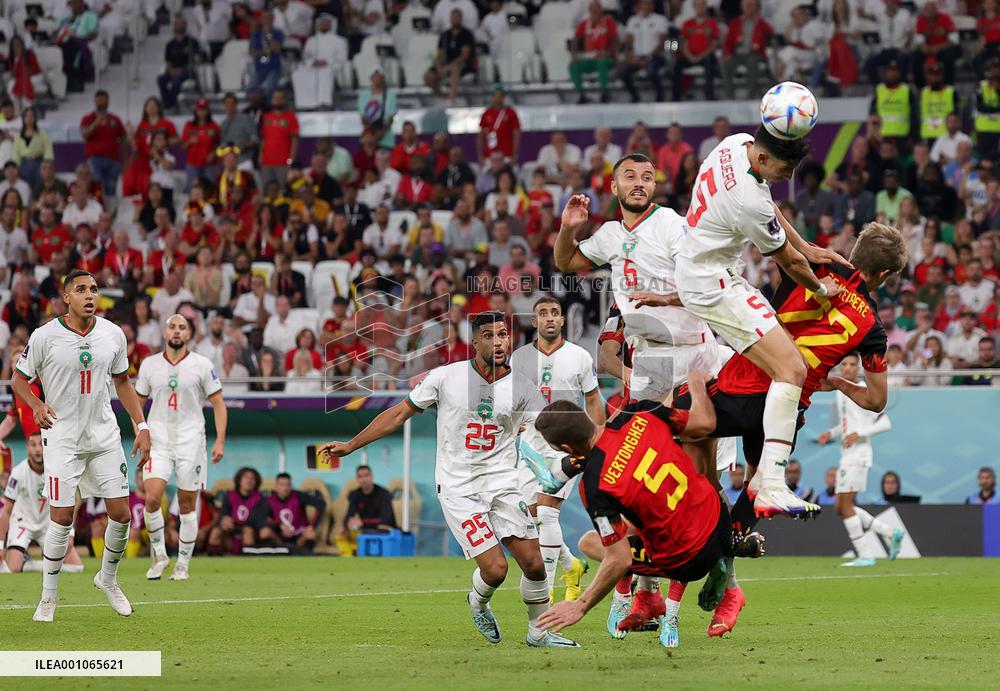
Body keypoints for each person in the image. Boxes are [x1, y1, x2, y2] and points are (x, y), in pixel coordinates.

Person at [552, 153, 741, 643]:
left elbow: (706, 282)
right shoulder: (611, 236)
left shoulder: (673, 226)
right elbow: (566, 261)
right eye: (630, 177)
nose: (640, 183)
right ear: (613, 186)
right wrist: (569, 228)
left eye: (648, 177)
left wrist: (668, 298)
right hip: (649, 360)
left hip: (692, 353)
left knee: (703, 474)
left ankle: (729, 582)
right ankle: (646, 594)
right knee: (643, 480)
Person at [321, 311, 579, 648]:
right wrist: (351, 446)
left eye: (503, 334)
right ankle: (478, 602)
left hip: (502, 482)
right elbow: (399, 414)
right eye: (489, 335)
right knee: (496, 570)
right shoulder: (445, 378)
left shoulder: (522, 387)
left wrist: (575, 451)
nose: (498, 341)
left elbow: (546, 429)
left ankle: (539, 633)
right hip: (459, 488)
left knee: (533, 563)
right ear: (474, 342)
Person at [672, 121, 849, 519]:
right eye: (785, 171)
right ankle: (768, 483)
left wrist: (805, 244)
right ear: (765, 157)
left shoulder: (736, 145)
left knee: (780, 365)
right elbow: (787, 262)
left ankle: (759, 480)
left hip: (707, 270)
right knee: (792, 368)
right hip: (710, 284)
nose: (787, 179)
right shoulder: (746, 200)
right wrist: (822, 291)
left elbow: (770, 209)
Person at [529, 380, 761, 647]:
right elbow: (705, 425)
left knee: (591, 543)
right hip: (719, 517)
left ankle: (643, 595)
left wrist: (581, 605)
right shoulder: (642, 415)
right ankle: (718, 557)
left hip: (693, 559)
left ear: (567, 449)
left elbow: (619, 559)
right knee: (645, 511)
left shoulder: (595, 485)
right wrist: (697, 386)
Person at [13, 270, 152, 621]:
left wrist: (142, 425)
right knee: (61, 516)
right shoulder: (44, 336)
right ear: (66, 297)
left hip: (104, 437)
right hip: (62, 439)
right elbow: (18, 379)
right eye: (81, 290)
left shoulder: (113, 334)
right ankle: (48, 598)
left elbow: (123, 383)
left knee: (120, 514)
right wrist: (37, 405)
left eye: (93, 289)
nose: (90, 295)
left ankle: (107, 579)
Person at [510, 296, 604, 602]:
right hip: (530, 447)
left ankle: (545, 592)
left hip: (566, 445)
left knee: (548, 514)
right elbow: (512, 399)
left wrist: (597, 437)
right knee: (529, 515)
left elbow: (592, 399)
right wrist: (513, 427)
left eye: (555, 313)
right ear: (534, 321)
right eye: (542, 314)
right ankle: (570, 564)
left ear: (562, 320)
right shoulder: (519, 358)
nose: (549, 318)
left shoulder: (580, 357)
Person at [135, 314, 226, 580]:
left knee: (187, 506)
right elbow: (137, 404)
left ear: (189, 334)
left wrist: (220, 440)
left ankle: (183, 565)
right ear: (165, 332)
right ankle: (160, 556)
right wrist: (141, 434)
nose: (176, 331)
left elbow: (218, 403)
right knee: (151, 499)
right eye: (172, 326)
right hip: (158, 440)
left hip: (191, 441)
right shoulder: (149, 365)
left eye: (182, 327)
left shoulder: (202, 364)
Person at [817, 354, 903, 566]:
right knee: (841, 506)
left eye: (853, 364)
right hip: (848, 453)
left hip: (859, 454)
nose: (848, 368)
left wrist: (859, 434)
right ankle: (889, 532)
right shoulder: (841, 391)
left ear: (859, 368)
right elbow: (850, 424)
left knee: (844, 505)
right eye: (844, 364)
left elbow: (886, 423)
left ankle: (866, 555)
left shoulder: (865, 390)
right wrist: (832, 433)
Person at [0, 433, 85, 573]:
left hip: (48, 524)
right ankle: (32, 561)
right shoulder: (18, 473)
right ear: (27, 448)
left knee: (77, 568)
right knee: (12, 568)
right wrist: (0, 545)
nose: (38, 449)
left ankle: (29, 564)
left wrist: (70, 534)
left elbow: (69, 504)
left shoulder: (56, 470)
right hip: (23, 523)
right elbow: (7, 511)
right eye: (33, 445)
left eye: (41, 444)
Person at [253, 472, 325, 551]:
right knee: (264, 532)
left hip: (298, 536)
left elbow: (321, 504)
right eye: (282, 484)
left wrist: (311, 526)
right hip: (279, 538)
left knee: (311, 534)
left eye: (288, 484)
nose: (285, 488)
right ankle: (272, 556)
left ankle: (304, 556)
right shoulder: (268, 500)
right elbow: (260, 518)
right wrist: (279, 525)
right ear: (276, 486)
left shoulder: (298, 496)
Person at [292, 14, 347, 110]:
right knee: (298, 74)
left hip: (330, 66)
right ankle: (304, 104)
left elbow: (342, 57)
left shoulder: (339, 40)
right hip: (313, 66)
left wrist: (327, 62)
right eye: (322, 23)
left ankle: (323, 103)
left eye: (326, 23)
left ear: (331, 24)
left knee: (324, 74)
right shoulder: (311, 40)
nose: (324, 25)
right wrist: (313, 62)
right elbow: (306, 57)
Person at [339, 464, 397, 553]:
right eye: (360, 476)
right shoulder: (354, 495)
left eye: (366, 475)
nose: (363, 479)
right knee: (344, 530)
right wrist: (349, 524)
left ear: (371, 476)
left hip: (382, 530)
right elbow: (349, 514)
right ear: (357, 479)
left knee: (381, 530)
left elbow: (386, 518)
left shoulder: (383, 494)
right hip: (364, 529)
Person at [721, 0, 772, 99]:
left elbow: (770, 35)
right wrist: (727, 53)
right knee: (725, 64)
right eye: (746, 5)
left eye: (751, 5)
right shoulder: (735, 22)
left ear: (756, 7)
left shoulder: (761, 23)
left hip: (753, 54)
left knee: (753, 63)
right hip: (736, 53)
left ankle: (751, 95)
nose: (749, 8)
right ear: (742, 7)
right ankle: (729, 96)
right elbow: (728, 41)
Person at [569, 1, 618, 104]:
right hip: (590, 58)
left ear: (601, 10)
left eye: (597, 9)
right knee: (573, 66)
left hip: (606, 57)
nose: (595, 11)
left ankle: (604, 93)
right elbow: (575, 41)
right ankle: (581, 94)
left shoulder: (608, 22)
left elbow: (615, 40)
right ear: (589, 10)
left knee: (601, 62)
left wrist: (610, 52)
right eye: (593, 9)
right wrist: (574, 55)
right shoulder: (584, 24)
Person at [80, 91, 126, 199]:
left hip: (113, 160)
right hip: (95, 159)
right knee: (96, 188)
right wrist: (96, 123)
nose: (101, 102)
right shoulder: (88, 118)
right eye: (99, 99)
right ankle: (97, 210)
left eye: (104, 99)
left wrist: (123, 162)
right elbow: (84, 135)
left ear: (108, 101)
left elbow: (123, 139)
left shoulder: (115, 119)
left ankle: (110, 213)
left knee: (111, 188)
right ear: (95, 101)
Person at [425, 9, 476, 103]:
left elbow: (464, 55)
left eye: (457, 17)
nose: (455, 19)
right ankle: (441, 96)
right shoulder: (445, 34)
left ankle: (451, 99)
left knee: (454, 68)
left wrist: (449, 67)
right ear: (450, 18)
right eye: (453, 17)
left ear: (461, 18)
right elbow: (440, 54)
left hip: (462, 65)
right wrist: (439, 67)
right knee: (428, 76)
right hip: (446, 64)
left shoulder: (467, 34)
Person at [209, 466, 263, 554]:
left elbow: (258, 520)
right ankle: (213, 561)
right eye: (246, 477)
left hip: (250, 532)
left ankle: (249, 561)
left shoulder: (260, 498)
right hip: (230, 531)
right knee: (216, 531)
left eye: (252, 478)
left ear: (256, 482)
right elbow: (223, 513)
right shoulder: (229, 496)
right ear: (239, 480)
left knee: (248, 531)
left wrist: (235, 522)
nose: (249, 481)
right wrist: (225, 520)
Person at [673, 0, 718, 102]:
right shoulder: (687, 24)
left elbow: (714, 44)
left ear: (706, 7)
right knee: (677, 65)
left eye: (702, 5)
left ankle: (709, 96)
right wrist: (690, 56)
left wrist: (700, 56)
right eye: (698, 5)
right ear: (694, 7)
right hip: (690, 55)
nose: (700, 7)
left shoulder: (712, 23)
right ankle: (676, 97)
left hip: (705, 55)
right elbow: (683, 43)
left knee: (710, 63)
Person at [158, 16, 202, 111]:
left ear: (185, 25)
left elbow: (196, 60)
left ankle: (168, 105)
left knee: (176, 81)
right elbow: (168, 61)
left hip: (188, 71)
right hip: (173, 70)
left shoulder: (192, 42)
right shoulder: (170, 44)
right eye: (176, 24)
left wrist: (182, 70)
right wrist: (171, 70)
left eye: (181, 23)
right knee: (161, 79)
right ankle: (169, 104)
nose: (178, 26)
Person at [259, 89, 300, 191]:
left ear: (284, 100)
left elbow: (295, 141)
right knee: (266, 191)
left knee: (282, 190)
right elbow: (264, 138)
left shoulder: (291, 117)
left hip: (283, 163)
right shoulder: (266, 117)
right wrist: (261, 155)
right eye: (275, 98)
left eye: (280, 98)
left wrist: (290, 160)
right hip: (267, 162)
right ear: (272, 100)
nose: (277, 101)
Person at [478, 85, 520, 163]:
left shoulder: (511, 113)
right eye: (495, 95)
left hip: (507, 154)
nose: (498, 98)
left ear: (503, 97)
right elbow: (480, 135)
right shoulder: (486, 113)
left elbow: (516, 134)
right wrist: (480, 155)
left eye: (500, 95)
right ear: (492, 97)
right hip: (489, 154)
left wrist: (514, 155)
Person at [249, 10, 285, 96]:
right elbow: (252, 53)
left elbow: (276, 49)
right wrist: (266, 52)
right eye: (264, 18)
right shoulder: (256, 34)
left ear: (273, 20)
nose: (267, 21)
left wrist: (268, 35)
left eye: (269, 18)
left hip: (274, 68)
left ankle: (267, 108)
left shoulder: (278, 33)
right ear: (261, 20)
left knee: (269, 89)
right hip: (259, 69)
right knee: (250, 89)